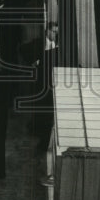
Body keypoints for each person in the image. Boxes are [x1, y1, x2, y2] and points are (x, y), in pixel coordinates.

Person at [33, 21, 59, 152]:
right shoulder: (39, 42)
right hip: (41, 82)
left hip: (51, 83)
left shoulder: (57, 45)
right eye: (53, 32)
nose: (55, 34)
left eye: (56, 32)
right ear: (47, 31)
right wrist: (35, 62)